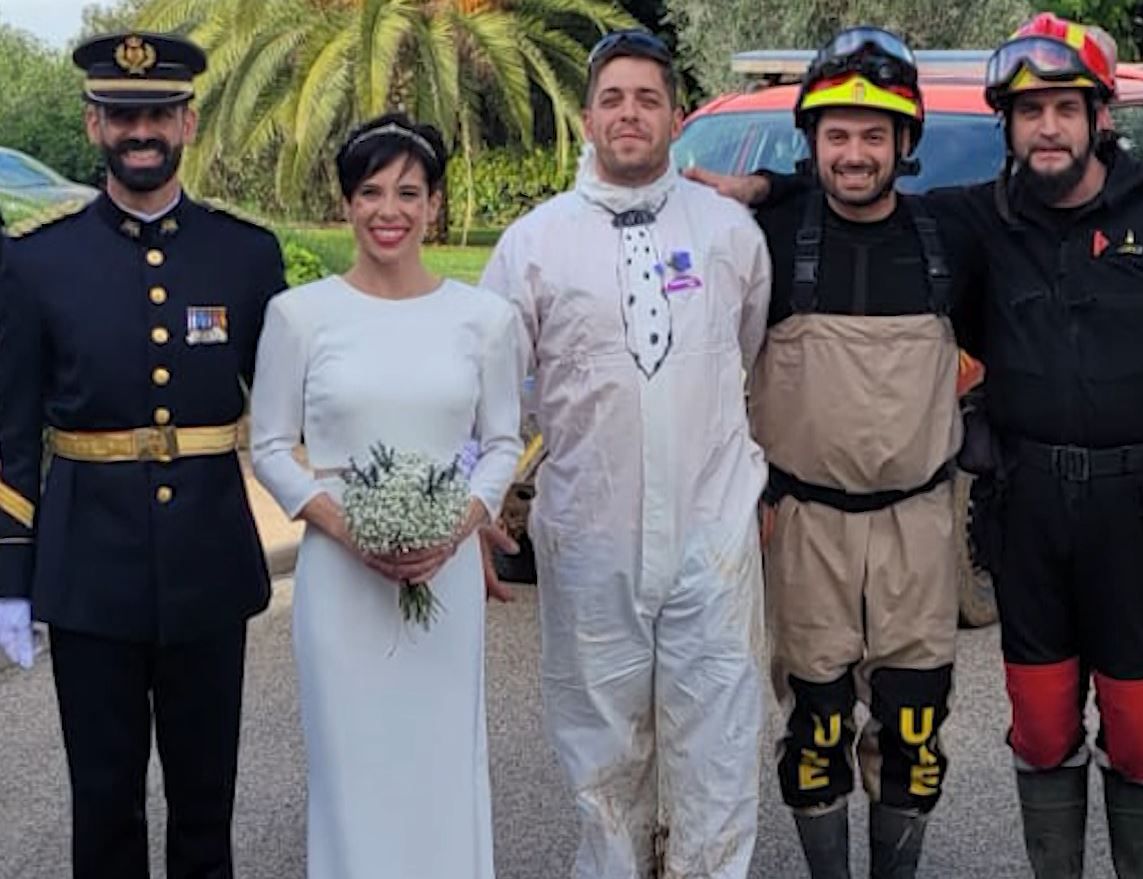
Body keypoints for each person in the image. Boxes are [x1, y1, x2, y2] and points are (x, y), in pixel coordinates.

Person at [701, 13, 1143, 878]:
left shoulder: (1136, 221)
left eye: (1064, 109)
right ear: (1005, 123)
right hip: (970, 509)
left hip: (1101, 513)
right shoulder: (928, 227)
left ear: (1098, 118)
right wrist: (766, 191)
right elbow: (831, 223)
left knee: (1109, 725)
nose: (1047, 128)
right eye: (1029, 110)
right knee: (990, 723)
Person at [479, 29, 772, 879]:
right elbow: (498, 390)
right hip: (589, 534)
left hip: (709, 534)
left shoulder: (728, 235)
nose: (630, 114)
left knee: (715, 743)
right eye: (613, 99)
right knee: (602, 747)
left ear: (677, 116)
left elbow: (742, 351)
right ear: (586, 118)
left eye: (648, 98)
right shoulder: (531, 245)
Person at [0, 32, 286, 878]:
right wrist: (9, 578)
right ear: (92, 124)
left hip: (209, 562)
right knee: (104, 801)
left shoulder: (246, 254)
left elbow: (299, 403)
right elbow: (11, 432)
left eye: (157, 112)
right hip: (89, 570)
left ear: (189, 122)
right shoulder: (32, 261)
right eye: (122, 114)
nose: (140, 130)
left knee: (206, 805)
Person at [250, 113, 523, 879]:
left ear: (435, 203)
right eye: (370, 192)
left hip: (447, 570)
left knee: (441, 758)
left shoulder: (484, 318)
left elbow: (502, 440)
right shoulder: (299, 315)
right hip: (340, 578)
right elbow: (268, 445)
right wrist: (346, 526)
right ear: (346, 204)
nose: (388, 210)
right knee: (353, 767)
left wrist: (457, 523)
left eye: (408, 191)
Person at [746, 27, 962, 879]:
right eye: (835, 135)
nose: (854, 154)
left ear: (904, 143)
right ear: (811, 144)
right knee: (815, 727)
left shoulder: (951, 236)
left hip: (918, 523)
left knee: (914, 728)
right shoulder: (765, 238)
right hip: (806, 525)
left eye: (874, 135)